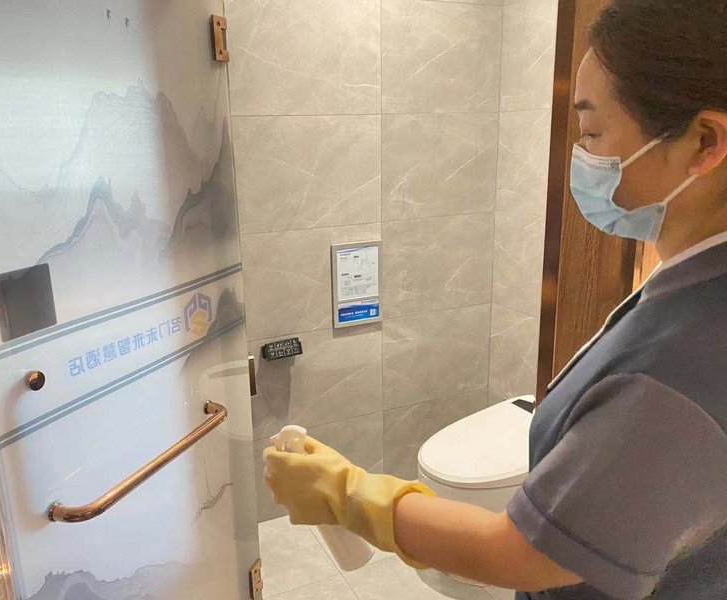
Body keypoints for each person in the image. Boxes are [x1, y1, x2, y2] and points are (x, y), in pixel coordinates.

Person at [262, 1, 727, 598]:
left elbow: (522, 555)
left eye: (592, 133)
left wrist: (348, 494)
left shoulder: (686, 356)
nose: (581, 157)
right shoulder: (693, 278)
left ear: (704, 141)